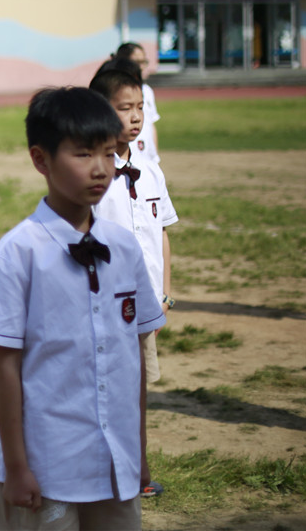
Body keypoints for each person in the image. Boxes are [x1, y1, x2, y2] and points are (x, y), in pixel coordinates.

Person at [0, 86, 165, 530]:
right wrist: (17, 467)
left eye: (109, 154)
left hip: (116, 463)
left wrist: (138, 450)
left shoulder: (125, 247)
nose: (101, 169)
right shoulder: (17, 254)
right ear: (41, 159)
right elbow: (6, 366)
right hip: (47, 464)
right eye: (83, 155)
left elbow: (133, 358)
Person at [89, 60, 178, 431]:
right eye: (124, 108)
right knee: (101, 386)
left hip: (146, 302)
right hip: (104, 304)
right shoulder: (91, 172)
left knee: (137, 387)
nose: (136, 116)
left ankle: (135, 471)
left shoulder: (151, 169)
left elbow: (162, 235)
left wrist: (165, 296)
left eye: (140, 106)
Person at [115, 43, 161, 163]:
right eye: (137, 62)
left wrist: (154, 155)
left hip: (146, 155)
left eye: (143, 62)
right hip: (127, 155)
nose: (141, 67)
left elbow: (151, 124)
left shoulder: (147, 90)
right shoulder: (114, 90)